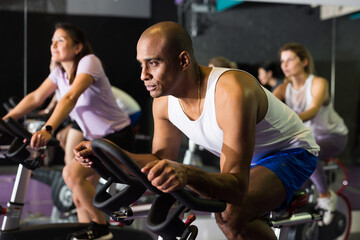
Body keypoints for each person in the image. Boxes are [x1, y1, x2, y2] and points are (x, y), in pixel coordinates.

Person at [74, 21, 319, 240]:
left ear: (183, 60)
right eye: (141, 64)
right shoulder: (162, 103)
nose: (143, 75)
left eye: (153, 63)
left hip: (292, 152)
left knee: (230, 215)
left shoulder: (231, 91)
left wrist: (188, 173)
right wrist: (109, 156)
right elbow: (160, 161)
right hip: (252, 160)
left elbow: (235, 187)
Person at [2, 22, 134, 240]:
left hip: (116, 137)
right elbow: (36, 97)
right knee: (79, 197)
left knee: (71, 174)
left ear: (77, 46)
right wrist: (7, 119)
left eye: (60, 40)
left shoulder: (89, 62)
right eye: (52, 41)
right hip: (94, 140)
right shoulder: (59, 74)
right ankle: (92, 231)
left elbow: (71, 97)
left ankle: (102, 229)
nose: (54, 45)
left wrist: (48, 129)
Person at [273, 42, 348, 226]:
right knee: (295, 161)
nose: (285, 65)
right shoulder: (283, 88)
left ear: (304, 61)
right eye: (282, 61)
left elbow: (313, 110)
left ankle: (326, 195)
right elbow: (267, 106)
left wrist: (288, 122)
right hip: (307, 139)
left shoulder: (318, 83)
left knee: (307, 151)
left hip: (334, 136)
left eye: (290, 59)